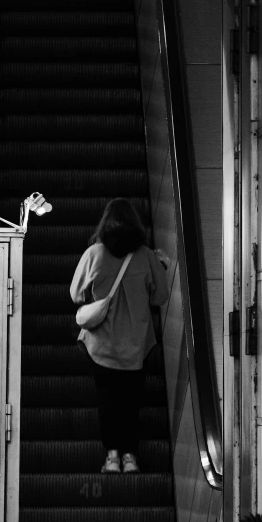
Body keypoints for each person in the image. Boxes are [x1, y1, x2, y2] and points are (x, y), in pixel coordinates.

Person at [70, 198, 169, 474]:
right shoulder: (147, 256)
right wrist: (158, 269)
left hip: (101, 345)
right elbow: (160, 296)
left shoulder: (94, 254)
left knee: (107, 400)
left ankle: (111, 457)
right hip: (137, 346)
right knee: (131, 402)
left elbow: (75, 295)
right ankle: (130, 457)